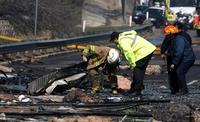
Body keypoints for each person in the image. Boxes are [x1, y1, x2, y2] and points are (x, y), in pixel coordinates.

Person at [110, 30, 156, 96]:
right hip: (147, 50)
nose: (114, 43)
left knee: (137, 71)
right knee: (140, 70)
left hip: (143, 52)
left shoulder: (123, 41)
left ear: (115, 38)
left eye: (113, 41)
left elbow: (129, 53)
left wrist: (132, 63)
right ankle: (135, 88)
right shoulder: (124, 36)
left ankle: (137, 90)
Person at [162, 25, 196, 95]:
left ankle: (184, 90)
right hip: (183, 58)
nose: (166, 36)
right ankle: (177, 89)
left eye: (167, 34)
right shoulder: (173, 38)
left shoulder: (179, 39)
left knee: (179, 72)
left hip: (187, 58)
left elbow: (179, 52)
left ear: (171, 34)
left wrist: (174, 63)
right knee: (176, 72)